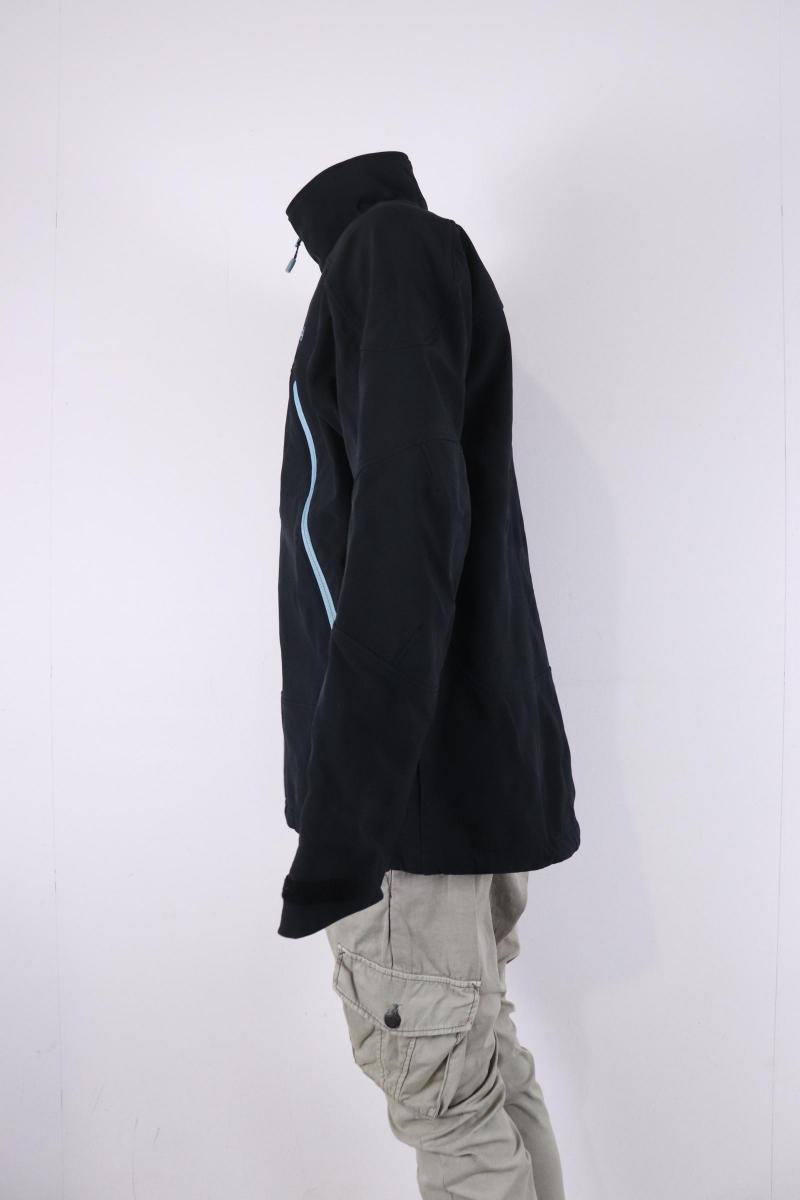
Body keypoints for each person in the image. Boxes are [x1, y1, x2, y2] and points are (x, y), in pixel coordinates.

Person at [276, 151, 580, 1199]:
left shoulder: (385, 253)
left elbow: (402, 532)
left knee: (450, 1110)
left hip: (401, 807)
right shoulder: (419, 261)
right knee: (480, 1084)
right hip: (446, 787)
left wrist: (345, 821)